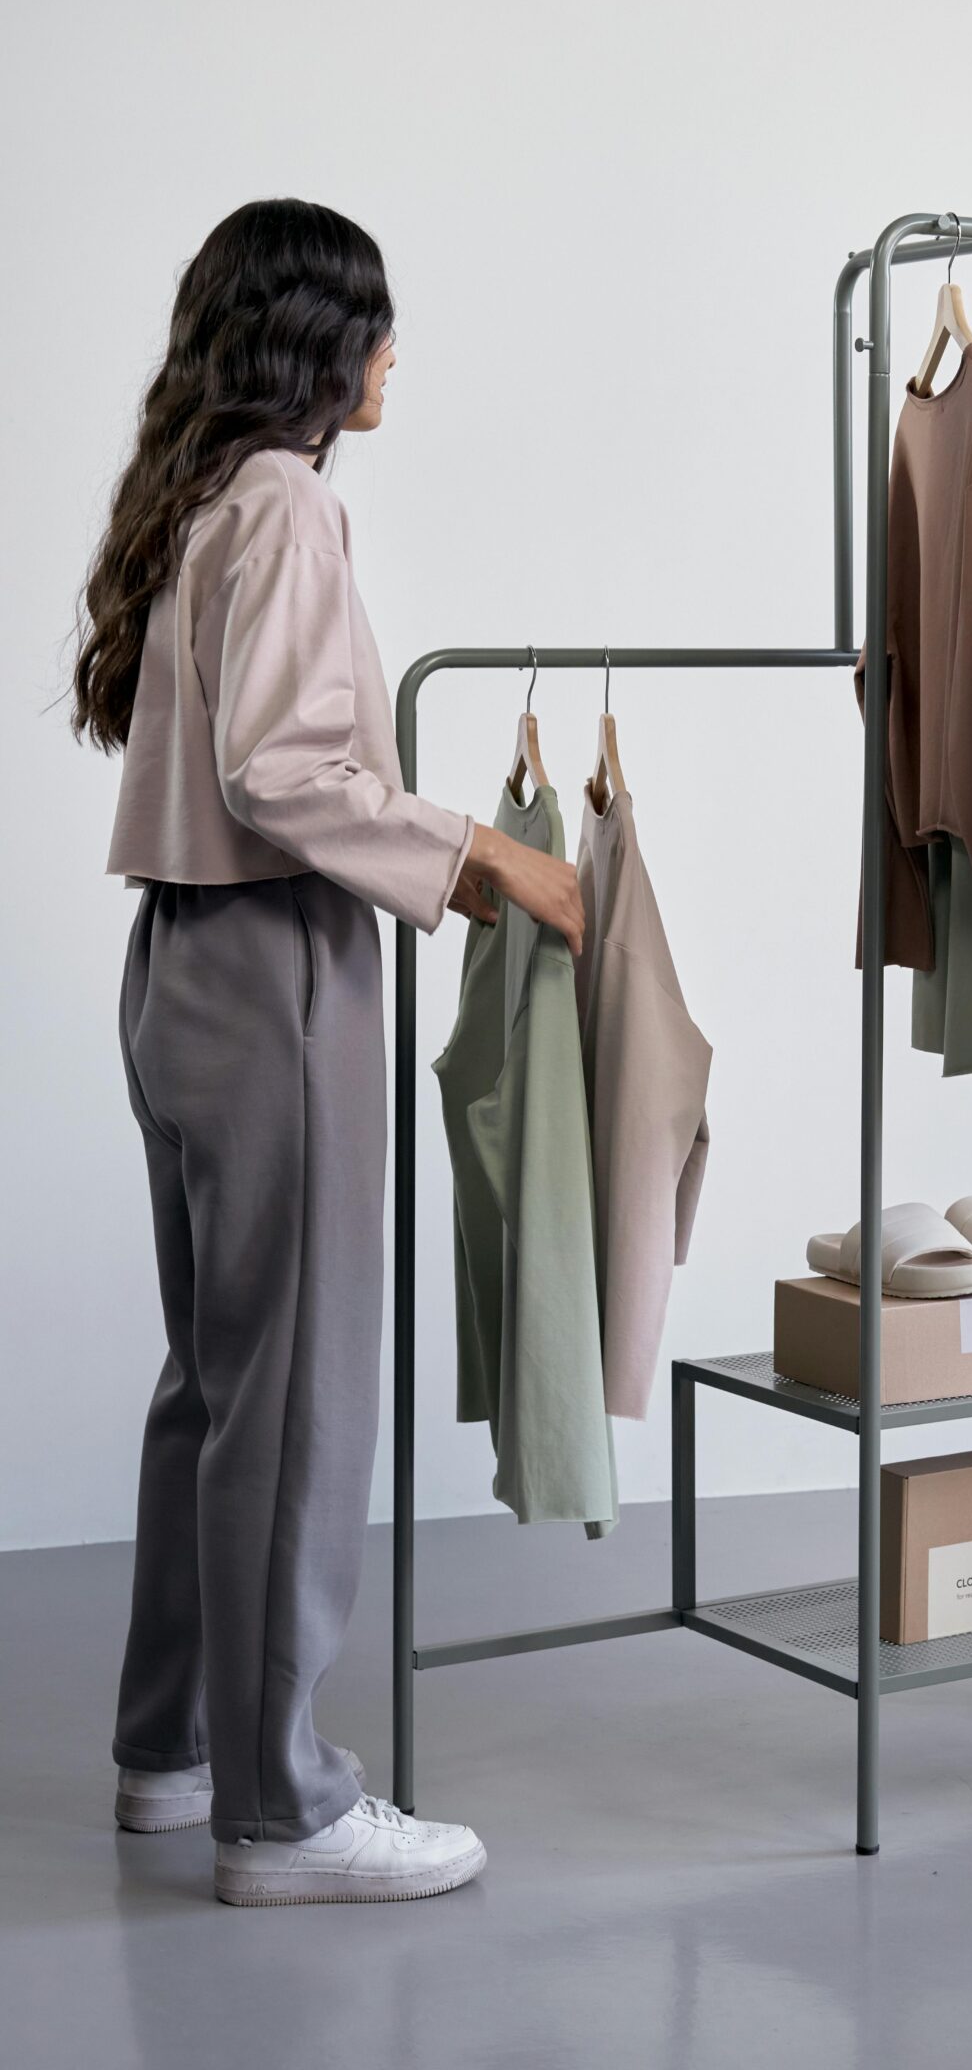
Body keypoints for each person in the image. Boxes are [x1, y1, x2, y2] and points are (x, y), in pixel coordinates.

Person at [73, 199, 585, 1904]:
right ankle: (281, 1811)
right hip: (276, 960)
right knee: (290, 1396)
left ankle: (173, 1749)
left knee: (216, 1384)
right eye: (375, 324)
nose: (392, 358)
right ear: (319, 344)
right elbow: (287, 777)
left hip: (176, 961)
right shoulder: (287, 503)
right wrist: (494, 857)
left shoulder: (204, 496)